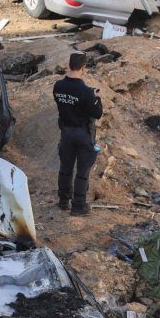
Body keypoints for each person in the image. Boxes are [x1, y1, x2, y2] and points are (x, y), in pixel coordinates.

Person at [53, 52, 103, 216]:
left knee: (65, 167)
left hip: (66, 132)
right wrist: (97, 98)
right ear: (83, 68)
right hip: (83, 134)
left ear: (69, 65)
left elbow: (65, 103)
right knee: (83, 170)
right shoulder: (85, 91)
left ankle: (63, 200)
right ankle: (78, 206)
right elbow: (97, 113)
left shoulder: (58, 86)